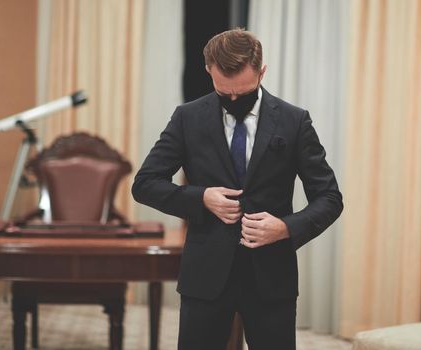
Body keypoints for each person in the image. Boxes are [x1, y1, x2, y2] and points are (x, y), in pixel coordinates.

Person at [132, 28, 343, 350]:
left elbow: (329, 198)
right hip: (205, 275)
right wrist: (200, 198)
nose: (234, 101)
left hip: (271, 276)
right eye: (223, 92)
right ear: (209, 71)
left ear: (262, 71)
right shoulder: (187, 118)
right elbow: (145, 184)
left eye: (243, 92)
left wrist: (286, 227)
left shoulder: (294, 121)